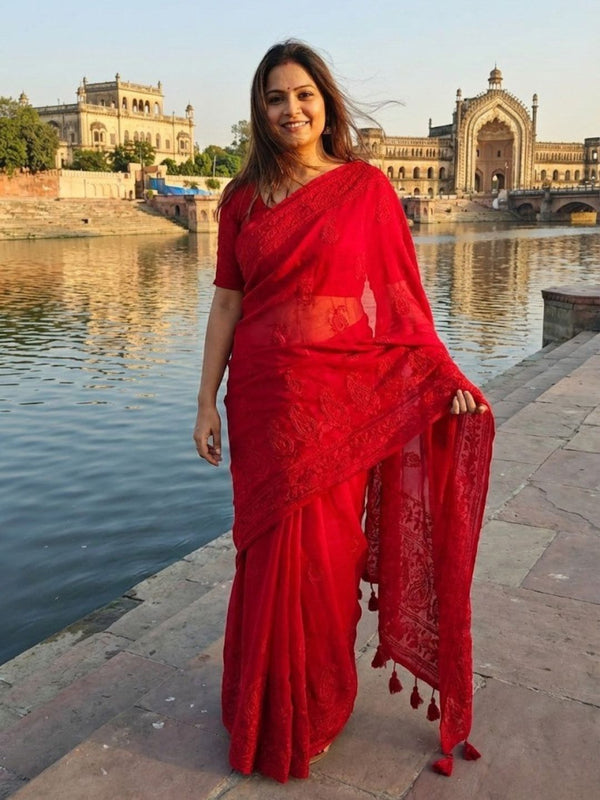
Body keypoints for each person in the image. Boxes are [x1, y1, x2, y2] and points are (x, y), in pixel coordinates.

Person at [193, 40, 494, 783]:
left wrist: (440, 373)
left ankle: (315, 707)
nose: (290, 109)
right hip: (263, 399)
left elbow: (400, 303)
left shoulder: (364, 189)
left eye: (303, 95)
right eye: (275, 98)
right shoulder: (240, 198)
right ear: (259, 112)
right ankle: (258, 706)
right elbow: (228, 301)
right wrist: (205, 399)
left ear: (324, 102)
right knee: (265, 556)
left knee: (327, 558)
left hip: (338, 402)